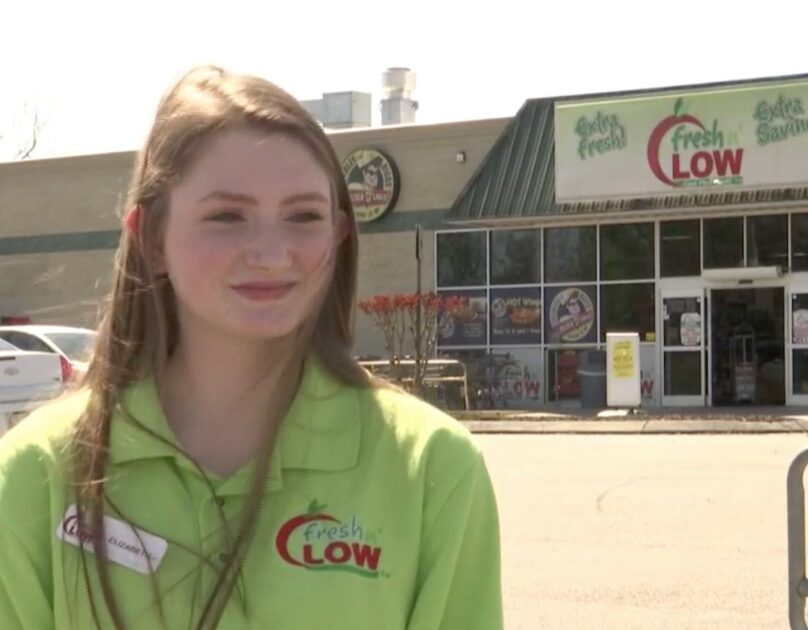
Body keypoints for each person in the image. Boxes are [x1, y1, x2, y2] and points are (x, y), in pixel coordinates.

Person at [0, 66, 503, 629]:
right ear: (150, 239)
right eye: (227, 216)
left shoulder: (432, 468)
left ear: (338, 236)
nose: (271, 253)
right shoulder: (35, 475)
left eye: (303, 216)